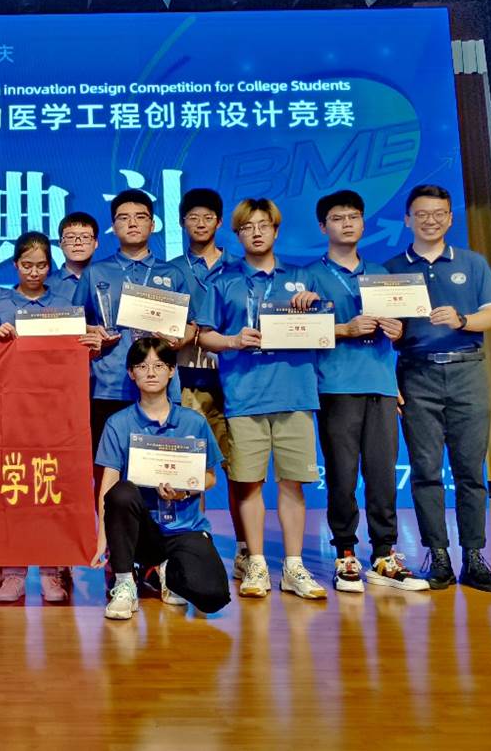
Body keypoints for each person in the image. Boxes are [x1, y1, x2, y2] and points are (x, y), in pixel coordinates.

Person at [194, 198, 328, 601]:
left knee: (292, 484)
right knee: (248, 484)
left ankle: (293, 565)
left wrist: (314, 305)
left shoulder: (302, 277)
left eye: (263, 225)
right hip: (245, 395)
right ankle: (255, 562)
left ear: (276, 229)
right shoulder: (224, 280)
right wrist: (233, 341)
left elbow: (325, 326)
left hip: (295, 393)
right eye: (247, 227)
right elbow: (205, 335)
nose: (256, 232)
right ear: (236, 234)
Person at [384, 184, 491, 593]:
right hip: (416, 375)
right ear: (407, 219)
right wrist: (391, 336)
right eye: (421, 214)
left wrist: (461, 320)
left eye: (439, 213)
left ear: (451, 218)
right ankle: (437, 555)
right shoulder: (391, 269)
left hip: (467, 372)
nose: (430, 221)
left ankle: (474, 556)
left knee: (470, 470)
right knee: (425, 470)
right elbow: (383, 335)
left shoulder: (472, 263)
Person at [307, 190, 428, 593]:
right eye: (337, 218)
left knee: (381, 474)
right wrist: (342, 328)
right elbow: (295, 332)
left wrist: (398, 329)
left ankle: (384, 553)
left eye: (354, 216)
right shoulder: (309, 276)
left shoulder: (381, 274)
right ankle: (345, 551)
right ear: (323, 227)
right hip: (336, 386)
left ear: (362, 222)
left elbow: (404, 328)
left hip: (380, 384)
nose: (347, 224)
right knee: (341, 476)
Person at [0, 231, 101, 603]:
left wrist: (92, 344)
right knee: (14, 489)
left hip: (57, 411)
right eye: (27, 265)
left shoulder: (65, 302)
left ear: (50, 266)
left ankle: (52, 571)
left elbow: (80, 350)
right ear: (15, 264)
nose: (34, 272)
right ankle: (13, 573)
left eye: (42, 265)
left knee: (53, 489)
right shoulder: (0, 302)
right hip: (12, 410)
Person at [92, 338, 230, 619]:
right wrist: (102, 540)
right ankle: (124, 582)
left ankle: (165, 570)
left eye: (158, 366)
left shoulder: (194, 422)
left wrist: (184, 491)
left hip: (183, 527)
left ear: (171, 371)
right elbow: (108, 484)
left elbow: (210, 478)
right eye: (142, 366)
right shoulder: (118, 423)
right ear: (131, 373)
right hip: (141, 532)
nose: (151, 373)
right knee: (121, 492)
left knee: (213, 596)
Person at [72, 189, 193, 460]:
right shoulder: (96, 272)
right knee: (107, 467)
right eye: (124, 218)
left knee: (159, 466)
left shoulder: (172, 273)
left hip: (161, 385)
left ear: (153, 224)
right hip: (108, 385)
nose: (133, 223)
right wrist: (90, 332)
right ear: (113, 227)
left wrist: (179, 340)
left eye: (140, 217)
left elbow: (191, 325)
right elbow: (75, 323)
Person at [164, 188, 239, 533]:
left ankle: (244, 547)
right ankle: (195, 537)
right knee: (191, 465)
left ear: (220, 222)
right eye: (193, 217)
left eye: (208, 217)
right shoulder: (169, 271)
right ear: (182, 223)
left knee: (239, 468)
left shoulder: (238, 267)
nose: (200, 223)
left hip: (235, 377)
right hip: (187, 377)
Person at [50, 211, 100, 300]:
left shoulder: (108, 279)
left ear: (96, 243)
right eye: (70, 237)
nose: (77, 243)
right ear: (60, 243)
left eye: (85, 237)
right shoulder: (46, 285)